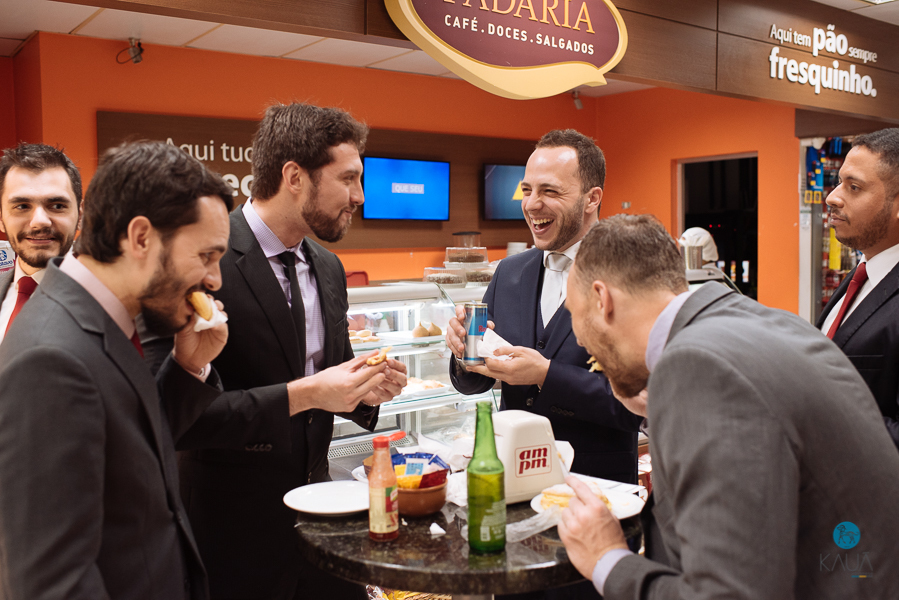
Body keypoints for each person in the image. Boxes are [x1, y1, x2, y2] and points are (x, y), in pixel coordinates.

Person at [558, 214, 899, 600]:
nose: (580, 341)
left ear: (602, 300)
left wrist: (607, 559)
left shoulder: (698, 368)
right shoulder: (762, 322)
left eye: (574, 315)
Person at [175, 102, 407, 600]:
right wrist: (309, 393)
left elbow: (335, 374)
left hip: (323, 519)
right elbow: (185, 419)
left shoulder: (328, 266)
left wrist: (367, 389)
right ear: (295, 177)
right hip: (231, 534)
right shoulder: (206, 260)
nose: (360, 197)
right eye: (348, 179)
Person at [0, 141, 235, 599]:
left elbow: (127, 455)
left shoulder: (108, 321)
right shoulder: (51, 361)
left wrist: (188, 366)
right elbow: (54, 584)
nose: (214, 279)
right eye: (206, 256)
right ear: (141, 237)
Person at [447, 129, 642, 483]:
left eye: (550, 191)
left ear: (592, 198)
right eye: (527, 190)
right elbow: (473, 383)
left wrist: (545, 375)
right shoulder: (509, 272)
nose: (531, 204)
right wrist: (464, 352)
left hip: (595, 486)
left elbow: (634, 408)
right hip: (511, 481)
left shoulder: (630, 276)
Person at [817, 128, 899, 449]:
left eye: (854, 187)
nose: (832, 197)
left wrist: (811, 411)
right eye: (839, 182)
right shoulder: (861, 275)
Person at [0, 143, 82, 342]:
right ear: (1, 218)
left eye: (57, 206)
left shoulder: (119, 302)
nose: (39, 221)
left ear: (80, 215)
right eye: (22, 206)